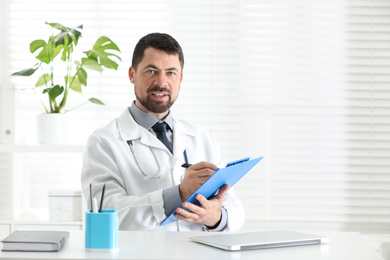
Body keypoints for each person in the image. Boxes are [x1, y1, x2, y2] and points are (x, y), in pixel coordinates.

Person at [81, 33, 245, 231]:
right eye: (151, 71)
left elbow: (231, 204)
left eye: (171, 72)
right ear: (132, 74)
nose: (161, 82)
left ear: (181, 78)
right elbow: (105, 214)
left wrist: (216, 217)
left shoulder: (202, 138)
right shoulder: (104, 142)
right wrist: (178, 195)